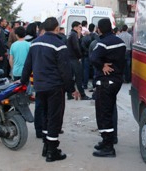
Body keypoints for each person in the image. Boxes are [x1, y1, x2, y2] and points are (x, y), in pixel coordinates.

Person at [21, 17, 78, 162]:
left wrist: (23, 81)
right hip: (54, 87)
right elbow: (65, 70)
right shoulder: (59, 45)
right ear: (56, 28)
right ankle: (52, 151)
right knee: (54, 118)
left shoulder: (34, 44)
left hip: (40, 86)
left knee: (45, 115)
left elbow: (28, 65)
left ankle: (46, 146)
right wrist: (71, 89)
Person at [90, 18, 126, 157]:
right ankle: (106, 141)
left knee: (104, 113)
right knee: (109, 111)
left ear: (99, 29)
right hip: (116, 80)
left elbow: (93, 58)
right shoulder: (120, 41)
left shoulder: (103, 43)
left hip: (106, 82)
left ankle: (108, 147)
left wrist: (102, 66)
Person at [66, 21, 90, 100]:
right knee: (78, 77)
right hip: (74, 59)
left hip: (69, 58)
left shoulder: (70, 34)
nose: (81, 29)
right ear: (75, 27)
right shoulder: (74, 35)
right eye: (80, 27)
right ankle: (82, 95)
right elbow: (76, 47)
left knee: (71, 78)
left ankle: (70, 94)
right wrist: (80, 56)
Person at [80, 23, 98, 89]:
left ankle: (85, 84)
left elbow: (82, 46)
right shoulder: (96, 37)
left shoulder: (84, 38)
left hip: (85, 56)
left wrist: (87, 51)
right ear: (94, 29)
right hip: (93, 56)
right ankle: (94, 84)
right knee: (94, 70)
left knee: (85, 71)